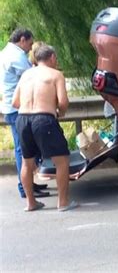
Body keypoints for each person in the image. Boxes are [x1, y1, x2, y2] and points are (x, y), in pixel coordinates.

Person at [12, 44, 78, 211]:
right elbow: (63, 102)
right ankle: (63, 202)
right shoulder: (56, 74)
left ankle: (30, 203)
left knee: (27, 163)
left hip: (22, 118)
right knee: (61, 160)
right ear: (52, 58)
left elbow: (15, 102)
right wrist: (59, 112)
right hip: (43, 119)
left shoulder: (26, 74)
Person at [0, 29, 49, 199]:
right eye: (29, 43)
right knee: (23, 150)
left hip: (13, 108)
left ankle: (29, 184)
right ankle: (25, 187)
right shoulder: (16, 56)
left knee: (26, 148)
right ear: (22, 39)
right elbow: (34, 74)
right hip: (17, 109)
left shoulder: (5, 53)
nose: (30, 48)